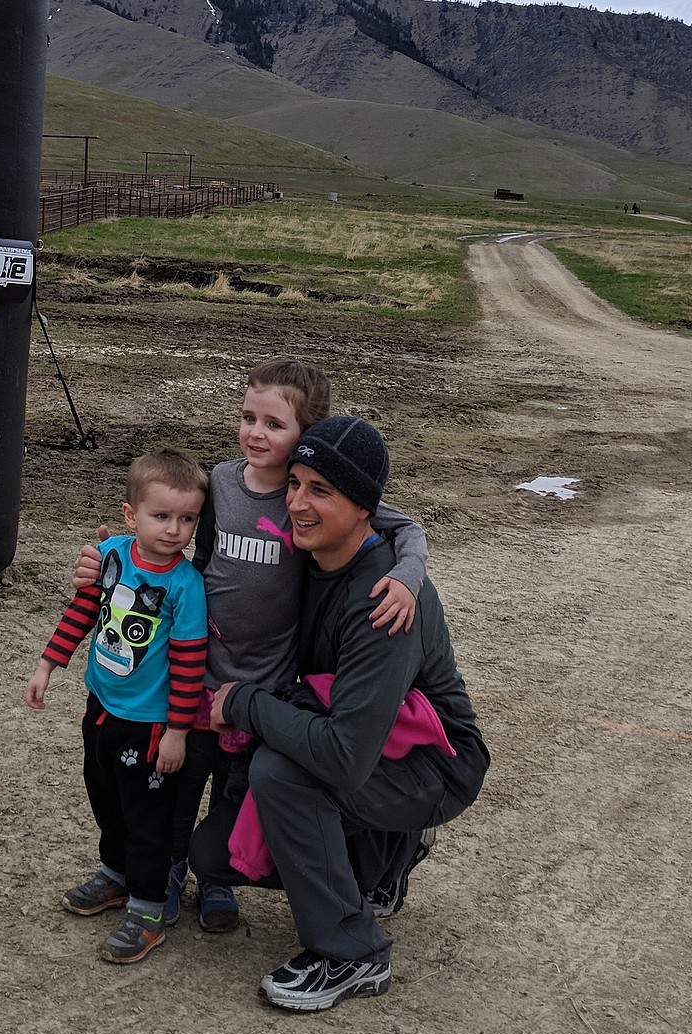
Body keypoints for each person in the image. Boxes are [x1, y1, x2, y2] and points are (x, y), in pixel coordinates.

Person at [73, 359, 429, 936]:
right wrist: (103, 560)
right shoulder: (217, 483)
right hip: (196, 675)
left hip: (265, 685)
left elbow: (404, 526)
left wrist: (409, 576)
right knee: (179, 784)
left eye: (274, 423)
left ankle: (217, 880)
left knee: (233, 793)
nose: (256, 433)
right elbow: (160, 528)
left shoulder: (306, 494)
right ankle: (161, 877)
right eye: (248, 418)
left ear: (305, 437)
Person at [191, 416, 490, 1013]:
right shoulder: (307, 558)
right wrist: (112, 561)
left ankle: (351, 953)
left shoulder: (383, 601)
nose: (298, 503)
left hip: (431, 761)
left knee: (283, 775)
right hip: (365, 735)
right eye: (294, 483)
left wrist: (247, 705)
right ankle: (382, 859)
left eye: (320, 491)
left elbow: (346, 757)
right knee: (213, 856)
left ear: (364, 511)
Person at [25, 450, 209, 965]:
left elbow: (191, 663)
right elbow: (84, 610)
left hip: (149, 724)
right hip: (101, 707)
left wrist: (176, 731)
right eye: (161, 516)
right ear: (132, 515)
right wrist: (47, 665)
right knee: (104, 797)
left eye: (187, 519)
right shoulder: (115, 556)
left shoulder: (186, 587)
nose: (174, 530)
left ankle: (149, 911)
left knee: (146, 818)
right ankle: (116, 876)